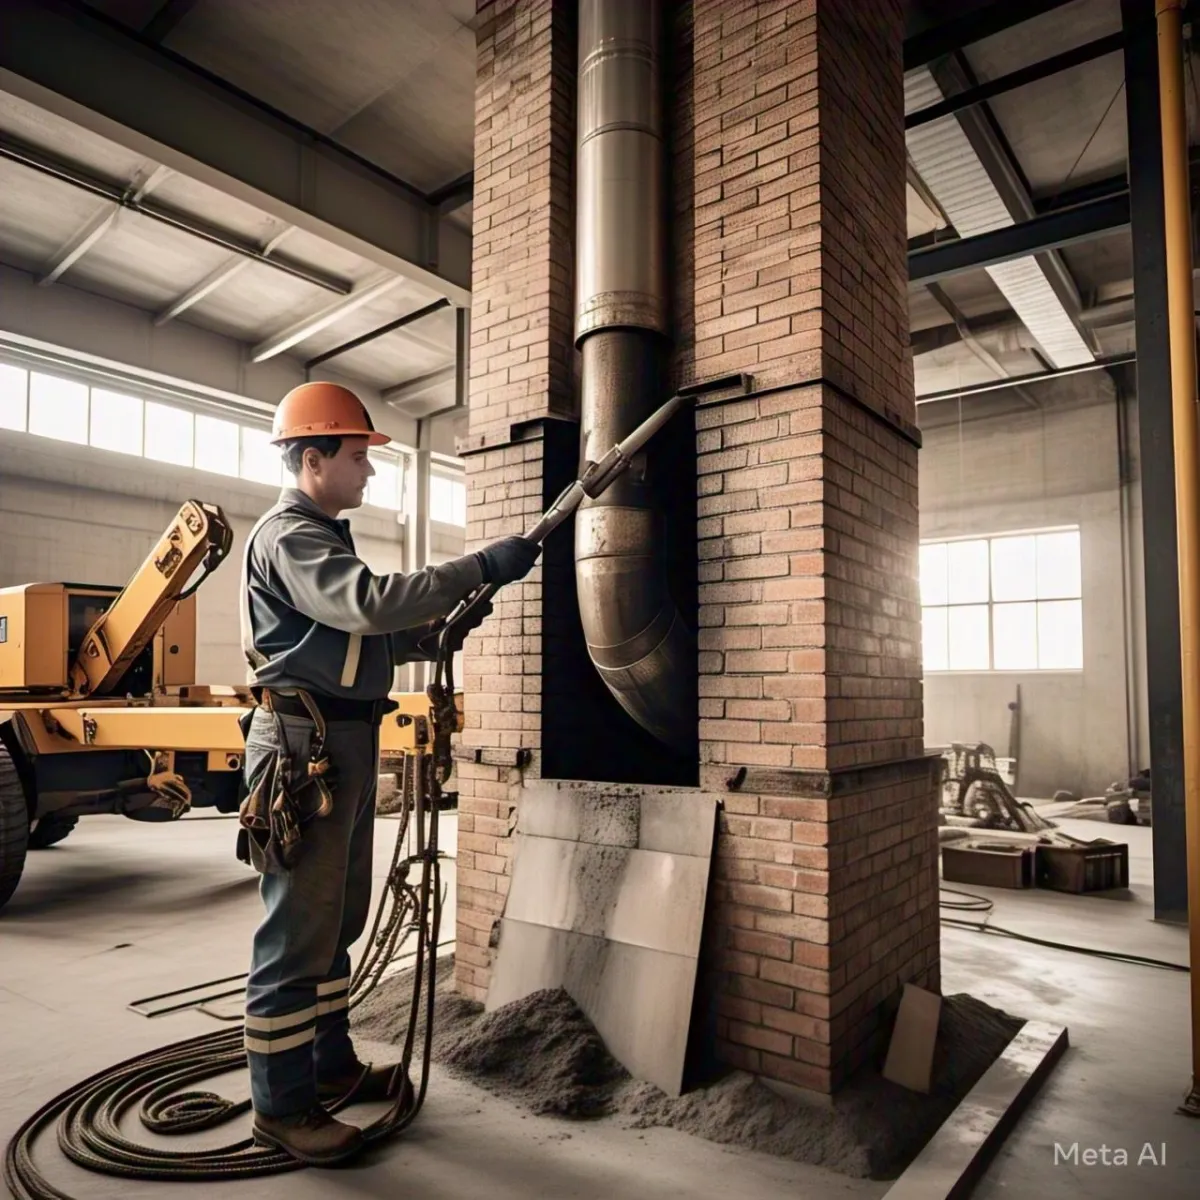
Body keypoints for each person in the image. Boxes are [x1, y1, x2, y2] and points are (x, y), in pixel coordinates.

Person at [238, 381, 539, 1165]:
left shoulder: (322, 535)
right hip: (304, 749)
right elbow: (368, 606)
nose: (369, 473)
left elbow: (356, 640)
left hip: (339, 743)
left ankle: (328, 1066)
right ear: (313, 459)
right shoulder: (290, 535)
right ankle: (282, 1106)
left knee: (336, 921)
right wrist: (475, 564)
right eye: (358, 456)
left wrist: (439, 626)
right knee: (297, 930)